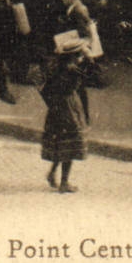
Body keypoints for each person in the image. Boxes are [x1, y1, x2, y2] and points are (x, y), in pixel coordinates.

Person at [41, 33, 92, 192]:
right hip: (68, 107)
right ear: (75, 55)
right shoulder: (72, 69)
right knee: (71, 141)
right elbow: (94, 76)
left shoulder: (58, 66)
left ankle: (53, 172)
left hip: (57, 107)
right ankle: (64, 182)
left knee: (60, 142)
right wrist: (89, 60)